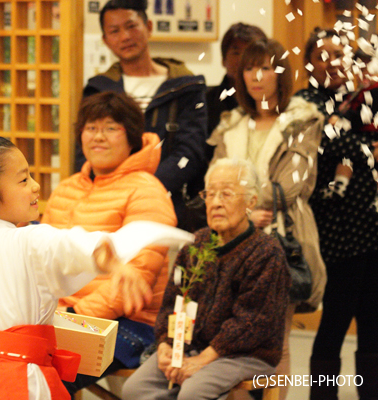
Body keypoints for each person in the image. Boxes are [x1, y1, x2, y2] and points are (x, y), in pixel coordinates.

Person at [0, 135, 193, 400]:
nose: (35, 186)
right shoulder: (29, 243)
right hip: (22, 382)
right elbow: (73, 245)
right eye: (24, 180)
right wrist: (114, 263)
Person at [208, 37, 326, 400]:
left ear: (281, 74)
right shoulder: (231, 124)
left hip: (281, 239)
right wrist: (243, 211)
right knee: (230, 339)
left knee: (279, 340)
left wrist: (245, 203)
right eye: (248, 68)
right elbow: (215, 179)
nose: (255, 77)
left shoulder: (301, 121)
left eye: (265, 68)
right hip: (232, 242)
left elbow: (295, 183)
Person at [40, 92, 177, 396]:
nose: (98, 137)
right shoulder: (65, 189)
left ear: (131, 137)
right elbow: (43, 259)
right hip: (64, 316)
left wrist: (72, 317)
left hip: (129, 322)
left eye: (111, 128)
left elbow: (136, 278)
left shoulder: (147, 191)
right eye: (91, 128)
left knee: (44, 377)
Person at [122, 158, 291, 400]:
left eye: (227, 194)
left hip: (246, 353)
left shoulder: (266, 253)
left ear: (251, 202)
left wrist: (204, 358)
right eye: (210, 194)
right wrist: (166, 346)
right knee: (136, 389)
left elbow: (252, 322)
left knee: (194, 393)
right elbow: (172, 302)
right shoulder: (196, 243)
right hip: (191, 345)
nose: (216, 203)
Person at [296, 28, 378, 400]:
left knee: (374, 326)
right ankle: (321, 396)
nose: (331, 62)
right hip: (336, 232)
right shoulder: (305, 103)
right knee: (334, 325)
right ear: (309, 63)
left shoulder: (365, 98)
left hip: (373, 230)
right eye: (321, 55)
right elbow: (327, 154)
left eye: (338, 53)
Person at [76, 0, 208, 229]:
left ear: (148, 26)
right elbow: (85, 152)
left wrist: (144, 189)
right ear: (105, 40)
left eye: (131, 26)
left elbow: (191, 152)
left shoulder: (186, 87)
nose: (125, 36)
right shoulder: (98, 89)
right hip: (108, 209)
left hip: (171, 208)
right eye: (114, 31)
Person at [206, 23, 267, 140]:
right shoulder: (205, 103)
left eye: (250, 53)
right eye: (236, 53)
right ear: (224, 60)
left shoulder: (271, 102)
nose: (243, 60)